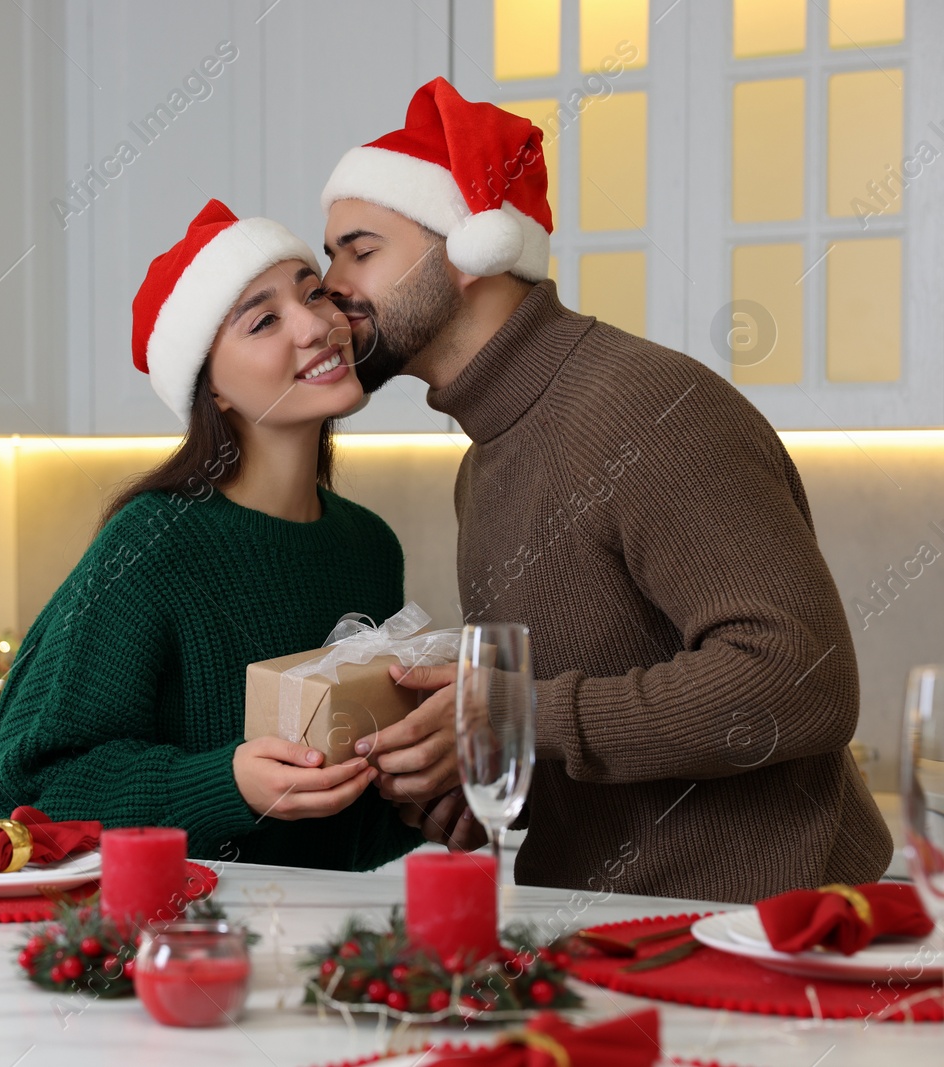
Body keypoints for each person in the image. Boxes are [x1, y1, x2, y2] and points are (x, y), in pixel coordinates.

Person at [318, 78, 891, 901]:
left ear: (469, 251)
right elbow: (587, 705)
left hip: (760, 931)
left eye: (359, 248)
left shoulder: (648, 406)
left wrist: (514, 718)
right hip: (602, 926)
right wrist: (487, 780)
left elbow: (800, 681)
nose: (331, 284)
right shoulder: (482, 462)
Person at [0, 200, 423, 870]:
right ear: (213, 389)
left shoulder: (368, 547)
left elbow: (349, 836)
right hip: (176, 945)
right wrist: (227, 784)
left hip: (320, 943)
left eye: (313, 293)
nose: (315, 325)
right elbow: (26, 792)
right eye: (264, 320)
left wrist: (426, 787)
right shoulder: (153, 544)